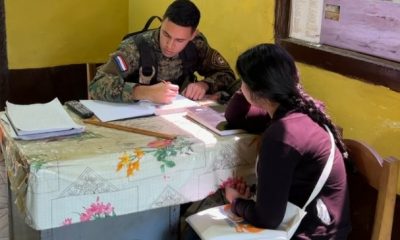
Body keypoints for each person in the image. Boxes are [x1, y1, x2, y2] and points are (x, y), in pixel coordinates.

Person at [223, 43, 351, 239]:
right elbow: (236, 117)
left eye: (243, 81)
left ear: (256, 89)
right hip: (320, 226)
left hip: (309, 234)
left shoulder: (282, 135)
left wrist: (236, 201)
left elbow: (267, 219)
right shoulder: (298, 110)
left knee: (196, 232)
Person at [88, 0, 236, 104]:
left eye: (179, 40)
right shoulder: (135, 47)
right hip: (136, 120)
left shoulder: (196, 45)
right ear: (162, 22)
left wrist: (204, 85)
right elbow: (96, 85)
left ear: (193, 35)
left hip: (179, 117)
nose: (170, 46)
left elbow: (227, 75)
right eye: (166, 34)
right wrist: (144, 92)